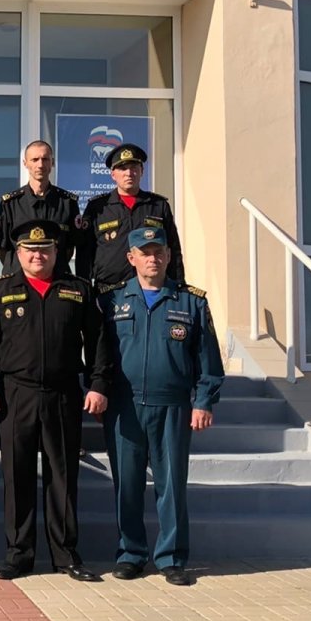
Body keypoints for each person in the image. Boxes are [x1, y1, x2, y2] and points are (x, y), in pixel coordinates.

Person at [0, 220, 111, 582]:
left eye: (45, 249)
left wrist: (98, 384)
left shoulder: (77, 290)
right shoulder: (0, 290)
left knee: (62, 477)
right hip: (15, 393)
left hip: (63, 393)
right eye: (30, 250)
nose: (38, 255)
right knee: (17, 475)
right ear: (18, 253)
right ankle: (18, 554)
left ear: (56, 252)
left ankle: (65, 555)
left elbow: (98, 341)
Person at [99, 227, 222, 587]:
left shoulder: (191, 302)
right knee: (127, 484)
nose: (152, 258)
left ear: (168, 256)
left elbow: (209, 361)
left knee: (171, 486)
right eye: (145, 252)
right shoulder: (112, 300)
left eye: (158, 252)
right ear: (131, 258)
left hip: (173, 406)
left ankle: (171, 558)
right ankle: (130, 554)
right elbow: (100, 356)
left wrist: (204, 401)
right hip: (125, 407)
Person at [76, 143, 184, 290]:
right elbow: (84, 253)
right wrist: (84, 289)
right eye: (122, 168)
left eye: (134, 167)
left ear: (142, 171)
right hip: (109, 291)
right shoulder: (98, 207)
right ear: (113, 174)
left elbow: (173, 249)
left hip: (150, 288)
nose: (129, 173)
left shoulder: (158, 205)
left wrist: (178, 285)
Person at [0, 141, 83, 276]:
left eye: (45, 159)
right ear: (25, 163)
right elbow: (3, 249)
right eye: (35, 160)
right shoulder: (10, 204)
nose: (40, 165)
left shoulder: (67, 203)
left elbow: (70, 247)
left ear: (52, 162)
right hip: (18, 280)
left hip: (57, 280)